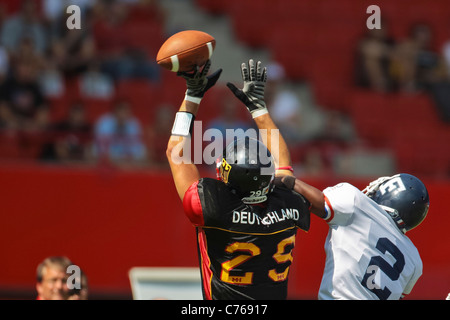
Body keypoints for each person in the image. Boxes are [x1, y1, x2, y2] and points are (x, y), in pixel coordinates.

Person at [166, 59, 311, 300]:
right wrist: (259, 108)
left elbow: (175, 152)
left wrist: (192, 95)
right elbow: (284, 166)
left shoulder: (213, 206)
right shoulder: (288, 201)